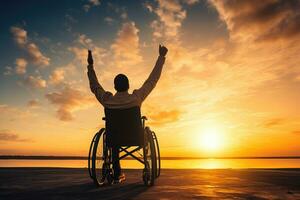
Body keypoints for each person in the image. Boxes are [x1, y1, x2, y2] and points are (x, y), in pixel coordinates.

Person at [87, 44, 168, 183]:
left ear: (114, 87)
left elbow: (95, 86)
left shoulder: (107, 100)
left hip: (114, 139)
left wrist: (90, 66)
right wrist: (161, 57)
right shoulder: (136, 98)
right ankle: (145, 168)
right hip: (135, 137)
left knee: (114, 142)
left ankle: (117, 172)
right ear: (128, 85)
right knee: (143, 131)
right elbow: (152, 80)